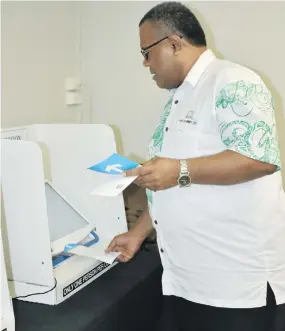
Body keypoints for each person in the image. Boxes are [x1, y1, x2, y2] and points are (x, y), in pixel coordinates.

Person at [106, 2, 285, 330]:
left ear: (174, 43)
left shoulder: (233, 80)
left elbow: (259, 159)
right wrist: (138, 233)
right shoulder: (178, 100)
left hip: (234, 286)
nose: (144, 62)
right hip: (185, 279)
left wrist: (177, 169)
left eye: (147, 52)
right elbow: (173, 180)